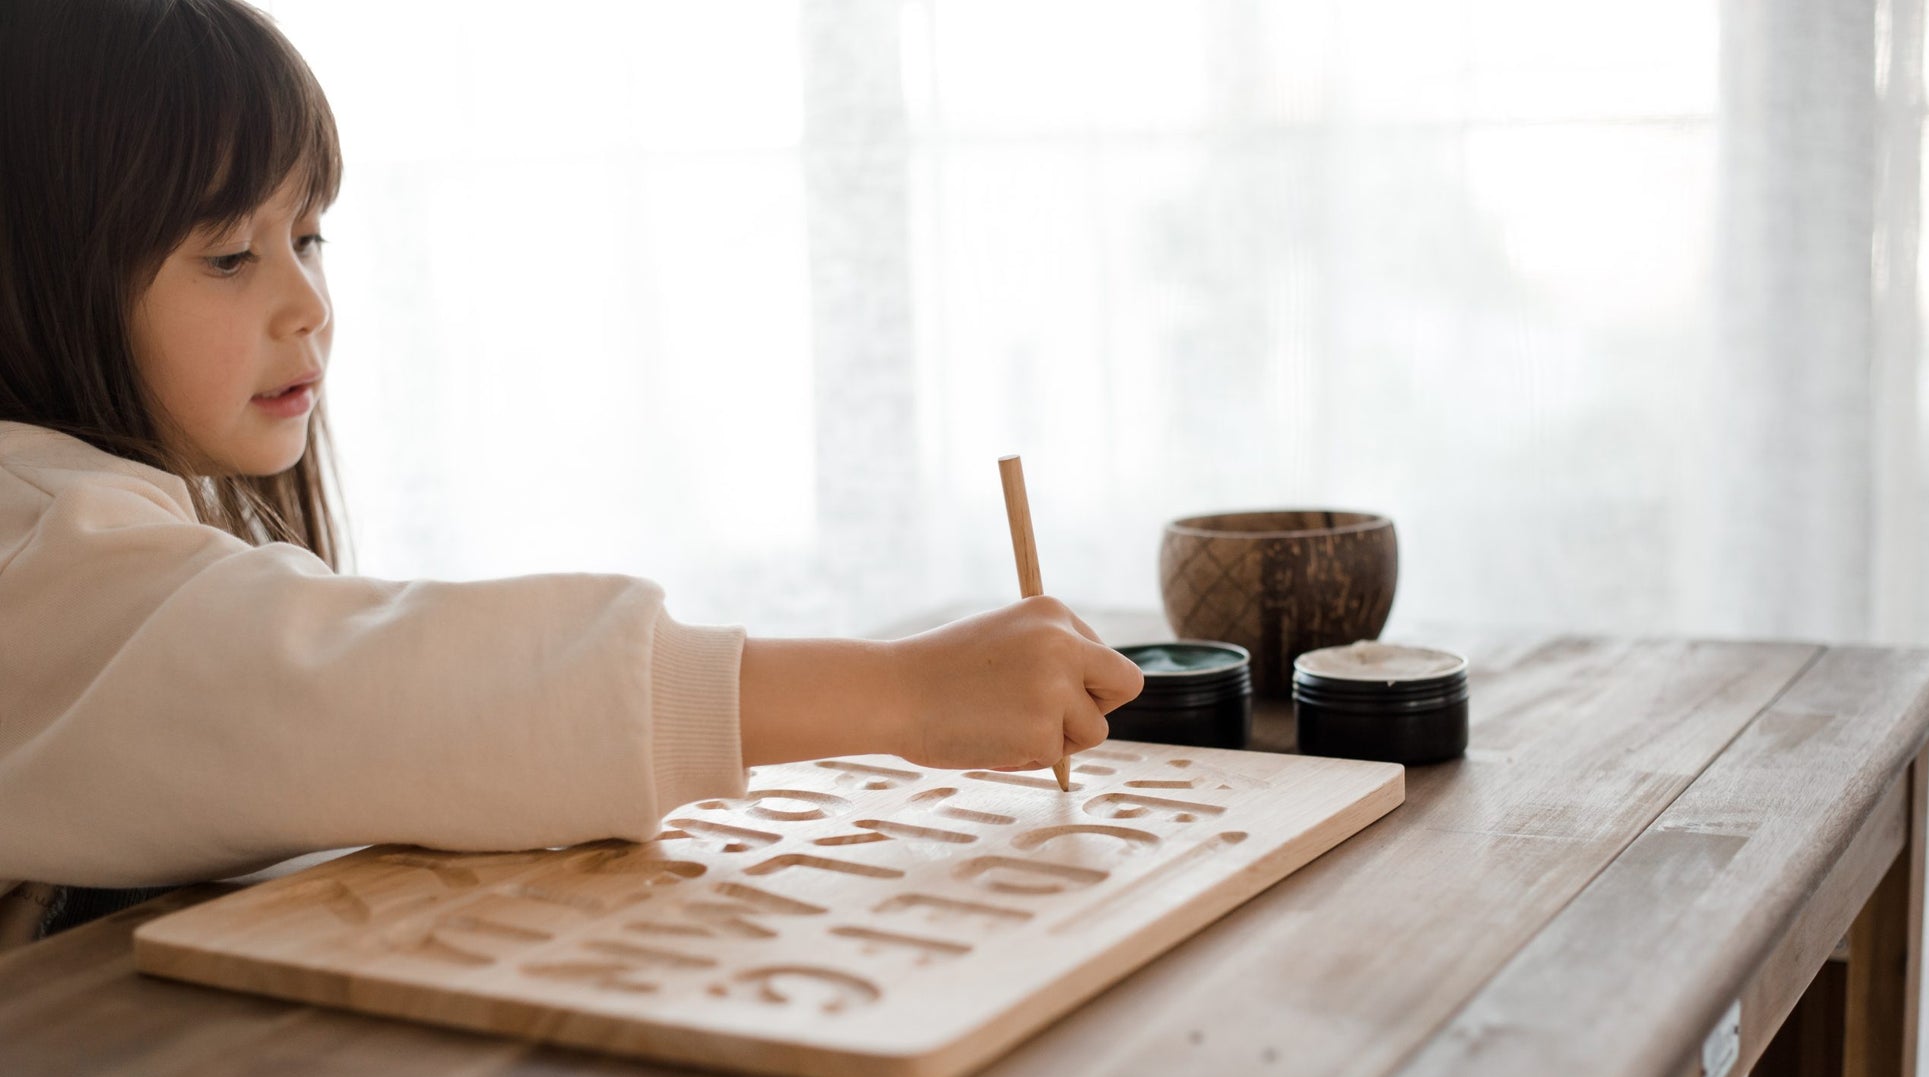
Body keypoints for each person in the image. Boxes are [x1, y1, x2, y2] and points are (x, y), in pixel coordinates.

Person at [0, 0, 1143, 948]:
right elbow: (374, 695)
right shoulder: (30, 542)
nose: (306, 303)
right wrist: (901, 691)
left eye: (308, 237)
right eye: (230, 255)